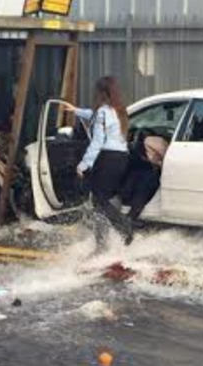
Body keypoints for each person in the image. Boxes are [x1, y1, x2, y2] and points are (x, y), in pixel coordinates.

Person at [69, 76, 133, 249]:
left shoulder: (104, 111)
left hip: (108, 158)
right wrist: (76, 110)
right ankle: (104, 240)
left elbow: (97, 141)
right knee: (108, 198)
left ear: (101, 93)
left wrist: (84, 164)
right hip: (122, 158)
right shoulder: (119, 110)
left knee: (99, 199)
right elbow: (96, 115)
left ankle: (124, 228)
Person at [121, 135, 168, 223]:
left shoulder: (151, 141)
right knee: (142, 191)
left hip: (142, 171)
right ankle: (130, 217)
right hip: (146, 171)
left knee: (140, 188)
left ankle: (129, 218)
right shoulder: (160, 142)